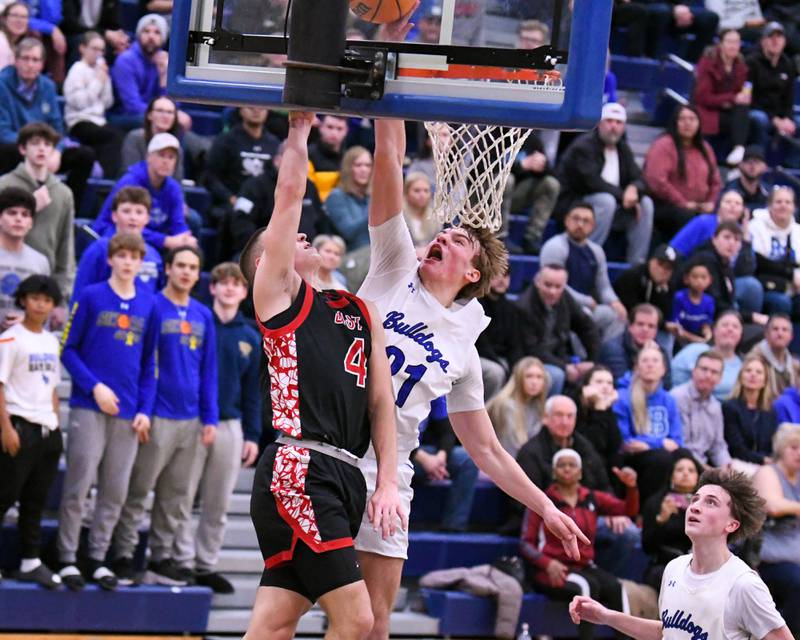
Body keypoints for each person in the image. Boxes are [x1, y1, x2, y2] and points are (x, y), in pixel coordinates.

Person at [334, 16, 590, 638]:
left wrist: (547, 506)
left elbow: (488, 451)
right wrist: (386, 60)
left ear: (472, 271)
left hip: (389, 475)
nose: (437, 238)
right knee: (299, 607)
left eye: (450, 239)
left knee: (374, 624)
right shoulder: (395, 266)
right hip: (331, 450)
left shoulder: (465, 349)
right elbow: (391, 154)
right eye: (439, 232)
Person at [238, 112, 403, 640]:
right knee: (358, 619)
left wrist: (388, 481)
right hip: (299, 466)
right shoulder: (277, 301)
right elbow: (288, 200)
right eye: (284, 241)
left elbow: (382, 402)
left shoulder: (357, 309)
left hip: (345, 473)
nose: (301, 234)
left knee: (274, 623)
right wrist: (299, 131)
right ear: (268, 264)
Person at [570, 467, 792, 640]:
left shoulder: (743, 584)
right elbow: (668, 633)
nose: (695, 507)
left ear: (732, 525)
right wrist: (606, 616)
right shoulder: (674, 568)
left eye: (710, 502)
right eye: (694, 500)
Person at [57, 232, 158, 591]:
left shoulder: (150, 304)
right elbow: (68, 349)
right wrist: (94, 386)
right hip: (89, 407)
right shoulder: (91, 296)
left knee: (114, 491)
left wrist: (145, 409)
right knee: (78, 486)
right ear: (111, 259)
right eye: (122, 255)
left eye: (135, 257)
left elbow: (150, 365)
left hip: (128, 415)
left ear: (140, 262)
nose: (128, 262)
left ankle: (96, 558)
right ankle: (67, 558)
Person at [112, 246, 217, 587]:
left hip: (191, 420)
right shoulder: (153, 306)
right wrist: (144, 408)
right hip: (157, 415)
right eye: (181, 266)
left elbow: (209, 370)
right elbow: (144, 363)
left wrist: (209, 417)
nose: (187, 272)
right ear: (168, 269)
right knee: (139, 490)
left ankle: (161, 557)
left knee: (175, 496)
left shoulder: (203, 314)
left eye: (193, 267)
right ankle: (124, 554)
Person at [172, 262, 261, 594]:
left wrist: (252, 435)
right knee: (182, 494)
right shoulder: (196, 322)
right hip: (191, 420)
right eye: (222, 282)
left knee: (218, 501)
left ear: (244, 292)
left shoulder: (250, 337)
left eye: (235, 284)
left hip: (229, 423)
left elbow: (254, 392)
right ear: (212, 288)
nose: (228, 289)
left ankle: (205, 564)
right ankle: (180, 560)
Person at [521, 449, 639, 640]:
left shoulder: (591, 497)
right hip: (552, 570)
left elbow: (628, 510)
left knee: (616, 587)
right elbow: (526, 543)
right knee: (587, 587)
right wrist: (547, 563)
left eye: (572, 465)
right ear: (553, 472)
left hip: (584, 565)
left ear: (581, 472)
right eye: (562, 465)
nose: (567, 469)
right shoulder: (543, 502)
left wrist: (631, 488)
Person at [0, 274, 62, 588]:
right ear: (23, 300)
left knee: (36, 500)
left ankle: (30, 561)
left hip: (48, 431)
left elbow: (51, 385)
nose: (41, 304)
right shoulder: (10, 339)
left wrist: (56, 420)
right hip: (19, 426)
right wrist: (6, 427)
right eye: (36, 298)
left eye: (47, 299)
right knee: (4, 496)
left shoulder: (52, 340)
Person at [554, 102, 653, 264]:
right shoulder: (583, 146)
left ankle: (637, 263)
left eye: (618, 122)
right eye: (609, 121)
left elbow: (639, 178)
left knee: (646, 203)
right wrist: (624, 196)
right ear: (599, 123)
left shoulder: (623, 149)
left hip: (614, 205)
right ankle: (588, 256)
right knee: (605, 201)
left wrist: (634, 189)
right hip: (575, 203)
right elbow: (591, 182)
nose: (613, 126)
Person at [0, 38, 95, 206]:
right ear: (15, 61)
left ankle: (67, 207)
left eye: (35, 60)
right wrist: (32, 148)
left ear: (42, 64)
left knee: (84, 156)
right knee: (7, 150)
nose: (30, 64)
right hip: (16, 147)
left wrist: (56, 151)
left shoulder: (48, 86)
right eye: (25, 58)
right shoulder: (2, 85)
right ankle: (10, 206)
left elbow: (57, 127)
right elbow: (3, 131)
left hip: (45, 148)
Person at [0, 122, 75, 306]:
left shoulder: (63, 193)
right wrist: (32, 206)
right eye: (35, 143)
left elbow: (66, 246)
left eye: (47, 144)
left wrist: (62, 297)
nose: (41, 149)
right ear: (22, 148)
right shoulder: (4, 185)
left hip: (42, 284)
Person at [93, 133, 196, 251]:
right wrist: (165, 240)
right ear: (149, 157)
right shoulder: (129, 182)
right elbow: (127, 226)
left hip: (152, 241)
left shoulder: (174, 188)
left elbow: (178, 224)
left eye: (171, 157)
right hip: (115, 236)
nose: (166, 161)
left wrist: (185, 239)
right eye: (161, 155)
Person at [540, 202, 628, 340]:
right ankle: (583, 359)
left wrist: (614, 301)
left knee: (616, 315)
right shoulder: (555, 247)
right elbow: (556, 287)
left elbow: (603, 286)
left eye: (586, 221)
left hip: (586, 308)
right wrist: (585, 301)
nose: (580, 224)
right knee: (584, 317)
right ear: (566, 221)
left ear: (593, 226)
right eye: (576, 219)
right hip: (559, 307)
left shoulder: (596, 251)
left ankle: (608, 356)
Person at [228, 139, 328, 259]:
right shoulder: (255, 185)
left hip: (303, 256)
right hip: (265, 255)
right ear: (277, 160)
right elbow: (241, 223)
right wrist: (263, 250)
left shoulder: (310, 187)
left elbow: (323, 223)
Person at [516, 263, 600, 395]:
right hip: (530, 361)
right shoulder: (524, 307)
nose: (552, 291)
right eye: (548, 285)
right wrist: (565, 367)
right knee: (556, 375)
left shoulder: (565, 298)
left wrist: (591, 360)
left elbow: (587, 327)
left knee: (596, 374)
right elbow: (533, 349)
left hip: (560, 356)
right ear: (537, 282)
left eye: (558, 287)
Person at [613, 343, 683, 502]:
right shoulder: (623, 397)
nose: (650, 364)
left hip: (660, 454)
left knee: (684, 456)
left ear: (664, 369)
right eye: (645, 361)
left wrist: (650, 444)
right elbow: (625, 442)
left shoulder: (669, 400)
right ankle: (646, 512)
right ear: (637, 368)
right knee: (661, 458)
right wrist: (660, 442)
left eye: (655, 361)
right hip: (633, 457)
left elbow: (677, 441)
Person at [643, 104, 722, 240]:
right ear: (675, 122)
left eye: (692, 119)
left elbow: (715, 181)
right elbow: (657, 181)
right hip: (666, 206)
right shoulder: (663, 145)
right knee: (687, 217)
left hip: (699, 207)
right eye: (682, 119)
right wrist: (683, 203)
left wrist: (711, 202)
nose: (688, 123)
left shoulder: (705, 148)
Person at [72, 186, 162, 299]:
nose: (133, 217)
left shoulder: (154, 256)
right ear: (114, 216)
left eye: (139, 212)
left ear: (147, 218)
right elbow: (81, 290)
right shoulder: (99, 249)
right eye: (126, 211)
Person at [754, 423, 800, 636]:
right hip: (769, 561)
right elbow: (772, 505)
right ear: (781, 448)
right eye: (794, 447)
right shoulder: (768, 472)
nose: (799, 453)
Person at [412, 397, 478, 532]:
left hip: (421, 452)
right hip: (392, 454)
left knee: (466, 460)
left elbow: (447, 432)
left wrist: (441, 457)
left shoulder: (435, 391)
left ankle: (453, 526)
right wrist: (424, 459)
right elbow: (390, 436)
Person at [63, 30, 121, 178]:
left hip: (99, 120)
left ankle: (103, 175)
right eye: (94, 49)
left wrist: (105, 81)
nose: (99, 53)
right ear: (82, 48)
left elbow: (107, 103)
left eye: (101, 50)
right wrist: (97, 83)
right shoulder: (77, 70)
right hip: (79, 121)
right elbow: (78, 103)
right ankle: (106, 182)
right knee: (111, 136)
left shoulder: (101, 71)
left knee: (118, 134)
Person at [640, 452, 701, 590]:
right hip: (665, 565)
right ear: (671, 476)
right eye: (680, 470)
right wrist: (661, 520)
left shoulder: (705, 507)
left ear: (697, 478)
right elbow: (647, 547)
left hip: (699, 565)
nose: (685, 473)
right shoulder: (656, 503)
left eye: (691, 470)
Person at [692, 28, 751, 167]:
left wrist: (736, 99)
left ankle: (739, 151)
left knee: (749, 115)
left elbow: (740, 94)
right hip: (707, 110)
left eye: (736, 42)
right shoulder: (707, 63)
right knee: (742, 115)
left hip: (729, 112)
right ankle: (738, 150)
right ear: (720, 44)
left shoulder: (741, 65)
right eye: (729, 41)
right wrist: (731, 99)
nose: (733, 46)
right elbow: (702, 97)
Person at [205, 106, 279, 211]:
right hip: (231, 204)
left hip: (265, 206)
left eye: (261, 107)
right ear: (240, 110)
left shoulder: (274, 144)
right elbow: (210, 178)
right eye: (251, 107)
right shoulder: (225, 141)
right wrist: (230, 198)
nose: (256, 110)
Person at [747, 22, 800, 166]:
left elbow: (789, 98)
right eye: (771, 37)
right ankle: (760, 162)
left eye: (779, 37)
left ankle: (792, 166)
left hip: (779, 115)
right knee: (760, 119)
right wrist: (774, 119)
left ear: (784, 42)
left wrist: (787, 118)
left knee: (798, 122)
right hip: (757, 111)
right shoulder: (752, 63)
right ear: (763, 41)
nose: (775, 41)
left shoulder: (788, 64)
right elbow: (750, 98)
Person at [693, 221, 764, 323]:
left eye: (737, 239)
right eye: (726, 237)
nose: (731, 243)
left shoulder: (726, 262)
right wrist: (751, 317)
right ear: (714, 239)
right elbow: (714, 304)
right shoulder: (706, 260)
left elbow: (747, 270)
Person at [670, 351, 732, 468]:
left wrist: (727, 466)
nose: (708, 375)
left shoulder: (716, 406)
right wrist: (707, 469)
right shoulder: (677, 397)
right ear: (694, 371)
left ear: (720, 378)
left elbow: (718, 446)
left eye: (714, 372)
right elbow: (682, 445)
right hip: (680, 463)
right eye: (704, 369)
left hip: (704, 464)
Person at [0, 187, 49, 328]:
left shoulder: (40, 262)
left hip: (22, 342)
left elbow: (44, 307)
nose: (18, 219)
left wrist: (27, 319)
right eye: (12, 213)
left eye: (25, 214)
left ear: (31, 223)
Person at [109, 14, 170, 127]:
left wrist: (163, 77)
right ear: (138, 35)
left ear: (163, 38)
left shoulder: (164, 60)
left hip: (150, 114)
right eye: (146, 31)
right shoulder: (126, 60)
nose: (151, 36)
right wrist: (161, 114)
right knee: (162, 121)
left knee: (182, 120)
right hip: (122, 115)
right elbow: (132, 105)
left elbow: (173, 105)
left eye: (157, 32)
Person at [750, 187, 800, 322]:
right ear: (770, 206)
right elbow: (759, 261)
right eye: (778, 202)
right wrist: (790, 274)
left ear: (794, 207)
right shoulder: (756, 226)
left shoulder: (798, 231)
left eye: (788, 202)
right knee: (781, 302)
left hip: (794, 288)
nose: (783, 205)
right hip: (766, 286)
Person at [723, 353, 779, 472]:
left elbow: (772, 445)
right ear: (740, 377)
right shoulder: (730, 407)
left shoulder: (770, 410)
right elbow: (736, 448)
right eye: (748, 370)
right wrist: (763, 460)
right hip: (738, 464)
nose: (753, 374)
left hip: (766, 465)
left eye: (758, 372)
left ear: (764, 381)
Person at [671, 310, 744, 400]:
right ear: (714, 330)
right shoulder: (694, 350)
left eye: (735, 327)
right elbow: (672, 377)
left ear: (741, 334)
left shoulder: (743, 366)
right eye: (725, 325)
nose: (730, 329)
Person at [508, 128, 560, 255]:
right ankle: (500, 236)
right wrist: (520, 165)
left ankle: (532, 237)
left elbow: (553, 174)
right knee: (508, 179)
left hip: (517, 196)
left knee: (551, 184)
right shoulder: (492, 134)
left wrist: (543, 165)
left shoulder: (532, 139)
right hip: (488, 198)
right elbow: (479, 170)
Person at [476, 267, 525, 400]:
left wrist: (517, 367)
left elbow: (515, 345)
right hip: (477, 357)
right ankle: (487, 413)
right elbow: (481, 345)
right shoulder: (475, 305)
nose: (502, 280)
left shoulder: (511, 309)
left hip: (499, 359)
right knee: (496, 372)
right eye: (496, 275)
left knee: (526, 372)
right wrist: (502, 365)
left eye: (506, 275)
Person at [487, 357, 549, 458]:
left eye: (539, 377)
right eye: (529, 376)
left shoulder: (536, 406)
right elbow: (509, 449)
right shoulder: (507, 406)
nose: (534, 382)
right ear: (519, 378)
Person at [599, 303, 672, 386]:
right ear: (630, 326)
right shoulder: (613, 349)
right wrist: (644, 356)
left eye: (651, 326)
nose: (645, 329)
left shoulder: (660, 351)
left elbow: (667, 384)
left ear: (656, 331)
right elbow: (622, 384)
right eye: (640, 324)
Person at [573, 365, 623, 482]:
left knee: (617, 460)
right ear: (586, 386)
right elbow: (592, 444)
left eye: (609, 383)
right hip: (581, 463)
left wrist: (603, 407)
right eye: (599, 382)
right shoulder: (575, 404)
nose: (605, 387)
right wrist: (600, 408)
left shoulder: (607, 405)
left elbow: (614, 444)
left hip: (603, 465)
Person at [613, 244, 677, 331]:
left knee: (667, 335)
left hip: (652, 325)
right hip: (625, 320)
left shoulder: (668, 285)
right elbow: (632, 310)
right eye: (660, 264)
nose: (662, 270)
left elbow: (665, 314)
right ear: (651, 260)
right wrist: (663, 325)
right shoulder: (633, 276)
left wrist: (660, 292)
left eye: (668, 268)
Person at [120, 96, 186, 179]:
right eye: (160, 111)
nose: (165, 116)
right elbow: (131, 172)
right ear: (149, 115)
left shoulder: (176, 147)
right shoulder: (135, 138)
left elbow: (177, 181)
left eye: (170, 112)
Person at [669, 189, 747, 258]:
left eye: (738, 203)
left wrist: (746, 238)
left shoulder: (743, 230)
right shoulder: (703, 222)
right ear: (719, 206)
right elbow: (675, 248)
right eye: (728, 202)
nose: (732, 206)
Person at [325, 146, 373, 252]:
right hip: (350, 254)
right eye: (358, 165)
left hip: (375, 253)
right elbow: (348, 232)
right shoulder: (336, 197)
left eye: (368, 165)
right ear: (348, 168)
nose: (364, 170)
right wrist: (375, 212)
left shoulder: (372, 196)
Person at [751, 313, 796, 396]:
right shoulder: (753, 360)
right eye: (775, 329)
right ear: (766, 334)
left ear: (791, 336)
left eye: (785, 330)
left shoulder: (795, 367)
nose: (780, 334)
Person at [671, 260, 715, 344]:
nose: (699, 281)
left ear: (710, 280)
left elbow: (706, 324)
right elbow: (675, 327)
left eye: (703, 277)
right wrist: (696, 339)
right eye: (695, 277)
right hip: (679, 340)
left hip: (699, 338)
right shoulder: (679, 298)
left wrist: (708, 335)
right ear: (686, 279)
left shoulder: (709, 301)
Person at [308, 114, 348, 202]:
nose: (334, 133)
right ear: (321, 127)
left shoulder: (348, 158)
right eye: (330, 127)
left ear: (346, 131)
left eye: (339, 129)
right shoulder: (308, 155)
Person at [723, 145, 770, 211]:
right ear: (740, 165)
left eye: (757, 162)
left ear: (765, 167)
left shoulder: (767, 191)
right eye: (748, 162)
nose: (752, 166)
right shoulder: (730, 190)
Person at [402, 172, 439, 247]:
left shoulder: (435, 217)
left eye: (426, 191)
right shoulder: (400, 217)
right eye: (417, 191)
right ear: (406, 193)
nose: (422, 195)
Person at [0, 3, 30, 69]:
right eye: (14, 15)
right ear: (4, 19)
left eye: (24, 17)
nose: (19, 20)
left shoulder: (16, 45)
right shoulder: (1, 40)